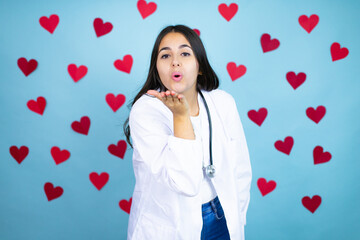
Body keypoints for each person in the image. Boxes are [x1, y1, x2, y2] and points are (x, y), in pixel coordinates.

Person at [123, 24, 252, 240]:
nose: (175, 61)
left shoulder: (223, 102)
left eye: (185, 53)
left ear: (199, 66)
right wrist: (181, 117)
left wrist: (237, 218)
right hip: (169, 226)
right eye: (165, 56)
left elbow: (241, 170)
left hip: (222, 216)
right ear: (157, 68)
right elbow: (185, 183)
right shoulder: (145, 111)